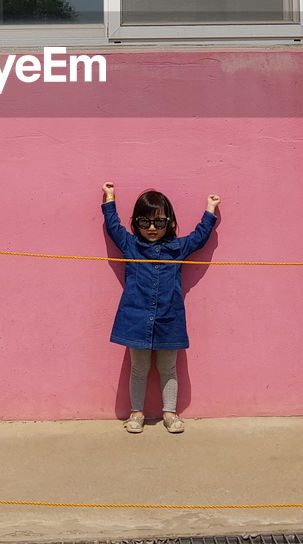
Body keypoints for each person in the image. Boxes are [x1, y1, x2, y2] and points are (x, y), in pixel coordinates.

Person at [100, 181, 221, 434]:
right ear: (137, 224)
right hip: (135, 318)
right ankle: (136, 412)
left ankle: (169, 412)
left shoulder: (178, 248)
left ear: (170, 223)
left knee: (168, 368)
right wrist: (109, 198)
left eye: (159, 222)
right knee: (139, 368)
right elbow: (113, 227)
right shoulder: (131, 246)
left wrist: (210, 210)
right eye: (145, 223)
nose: (152, 228)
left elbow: (199, 237)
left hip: (169, 319)